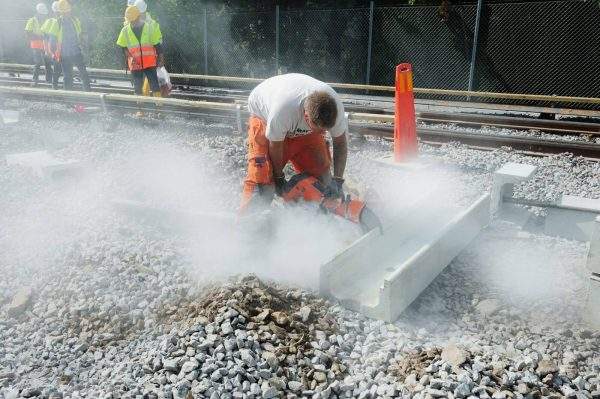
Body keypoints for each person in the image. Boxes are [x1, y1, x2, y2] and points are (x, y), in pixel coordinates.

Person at [240, 73, 348, 213]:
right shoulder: (282, 111)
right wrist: (278, 177)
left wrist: (338, 181)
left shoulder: (335, 109)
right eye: (319, 130)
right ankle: (248, 224)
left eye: (325, 130)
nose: (323, 134)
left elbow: (340, 143)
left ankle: (313, 219)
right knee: (263, 179)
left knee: (322, 178)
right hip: (265, 119)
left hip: (297, 124)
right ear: (306, 116)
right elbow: (275, 145)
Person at [116, 5, 163, 99]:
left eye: (133, 19)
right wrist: (129, 57)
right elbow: (122, 47)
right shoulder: (125, 31)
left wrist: (161, 58)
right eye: (130, 20)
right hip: (135, 64)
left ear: (138, 17)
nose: (132, 22)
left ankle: (159, 109)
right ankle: (140, 110)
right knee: (137, 86)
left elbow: (157, 45)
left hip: (150, 62)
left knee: (154, 85)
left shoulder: (149, 28)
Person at [48, 0, 91, 91]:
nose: (66, 13)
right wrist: (53, 53)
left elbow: (80, 34)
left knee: (82, 73)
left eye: (67, 12)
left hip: (76, 51)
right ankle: (69, 96)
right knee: (68, 75)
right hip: (64, 54)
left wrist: (84, 44)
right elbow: (52, 40)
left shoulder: (75, 20)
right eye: (64, 12)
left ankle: (87, 93)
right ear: (61, 12)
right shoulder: (57, 23)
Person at [25, 3, 52, 85]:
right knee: (38, 62)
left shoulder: (47, 20)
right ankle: (35, 79)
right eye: (42, 14)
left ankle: (49, 80)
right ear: (38, 12)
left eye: (44, 14)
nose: (43, 16)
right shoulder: (32, 20)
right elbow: (27, 33)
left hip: (45, 44)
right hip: (36, 44)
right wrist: (38, 36)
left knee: (48, 61)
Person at [41, 1, 61, 88]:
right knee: (56, 67)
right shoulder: (51, 21)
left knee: (56, 67)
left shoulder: (60, 21)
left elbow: (44, 37)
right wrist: (46, 50)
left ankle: (53, 84)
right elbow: (45, 37)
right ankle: (53, 85)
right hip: (53, 48)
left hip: (56, 48)